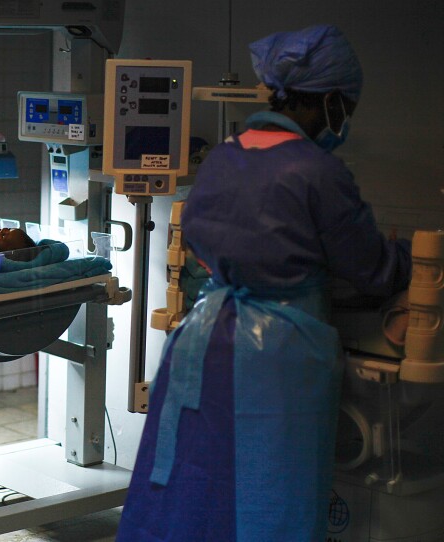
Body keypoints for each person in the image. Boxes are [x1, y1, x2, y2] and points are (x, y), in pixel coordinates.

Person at [117, 25, 412, 541]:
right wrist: (407, 258)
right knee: (268, 493)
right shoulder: (318, 171)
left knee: (190, 481)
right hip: (278, 354)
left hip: (203, 339)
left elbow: (210, 243)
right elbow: (373, 269)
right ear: (329, 101)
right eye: (345, 105)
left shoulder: (223, 158)